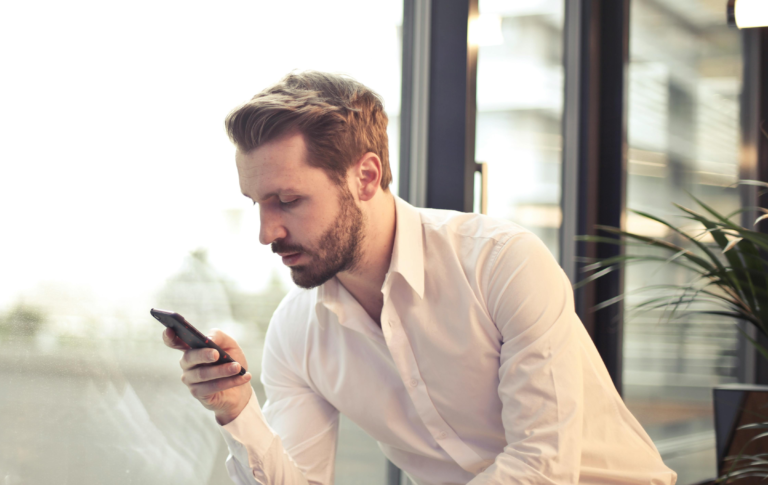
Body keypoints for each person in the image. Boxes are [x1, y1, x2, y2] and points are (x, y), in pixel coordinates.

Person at [161, 71, 676, 485]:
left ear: (365, 176)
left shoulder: (501, 263)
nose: (266, 231)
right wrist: (237, 411)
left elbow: (542, 466)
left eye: (289, 200)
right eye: (257, 203)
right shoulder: (297, 331)